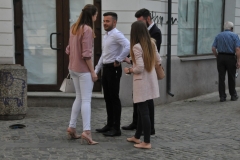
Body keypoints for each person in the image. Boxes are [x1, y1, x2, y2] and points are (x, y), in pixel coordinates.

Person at [122, 8, 162, 135]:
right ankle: (138, 129)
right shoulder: (145, 42)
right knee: (140, 104)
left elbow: (150, 59)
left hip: (145, 74)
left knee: (146, 105)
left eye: (141, 21)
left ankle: (148, 131)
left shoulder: (155, 34)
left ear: (148, 19)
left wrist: (130, 69)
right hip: (144, 74)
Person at [65, 4, 98, 145]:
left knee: (79, 98)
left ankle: (72, 127)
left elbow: (68, 50)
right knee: (86, 100)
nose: (96, 17)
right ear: (92, 15)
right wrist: (93, 72)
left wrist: (73, 63)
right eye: (96, 15)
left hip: (73, 68)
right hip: (83, 70)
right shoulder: (87, 29)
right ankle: (87, 131)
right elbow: (86, 55)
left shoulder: (74, 27)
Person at [94, 12, 130, 137]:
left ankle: (116, 128)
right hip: (106, 68)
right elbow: (104, 55)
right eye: (104, 21)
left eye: (107, 21)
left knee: (114, 98)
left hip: (113, 69)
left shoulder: (116, 34)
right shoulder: (106, 36)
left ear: (114, 22)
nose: (105, 23)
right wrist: (96, 70)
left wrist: (119, 59)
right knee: (107, 97)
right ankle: (109, 124)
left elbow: (128, 46)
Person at [212, 21, 240, 102]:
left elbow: (213, 48)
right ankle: (233, 95)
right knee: (231, 77)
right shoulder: (234, 36)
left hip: (220, 57)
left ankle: (222, 96)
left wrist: (217, 56)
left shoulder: (218, 35)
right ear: (231, 28)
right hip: (231, 57)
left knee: (221, 77)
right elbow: (237, 49)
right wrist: (238, 60)